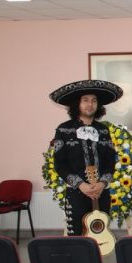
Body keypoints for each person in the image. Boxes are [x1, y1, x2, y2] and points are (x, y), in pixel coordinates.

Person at [49, 79, 120, 236]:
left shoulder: (103, 130)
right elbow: (60, 164)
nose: (90, 104)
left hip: (102, 194)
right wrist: (81, 185)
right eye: (85, 100)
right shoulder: (64, 129)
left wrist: (102, 184)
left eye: (94, 101)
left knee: (100, 236)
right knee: (78, 240)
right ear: (77, 104)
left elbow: (110, 162)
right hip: (77, 194)